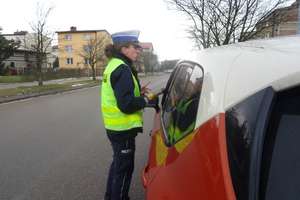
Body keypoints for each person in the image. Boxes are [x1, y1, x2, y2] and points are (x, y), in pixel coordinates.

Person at [101, 30, 157, 200]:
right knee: (124, 169)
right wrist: (144, 100)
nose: (139, 50)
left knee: (118, 165)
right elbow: (126, 105)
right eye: (136, 47)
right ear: (123, 48)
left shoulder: (114, 64)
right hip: (122, 128)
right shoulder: (123, 69)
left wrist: (137, 92)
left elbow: (120, 93)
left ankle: (110, 196)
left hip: (114, 127)